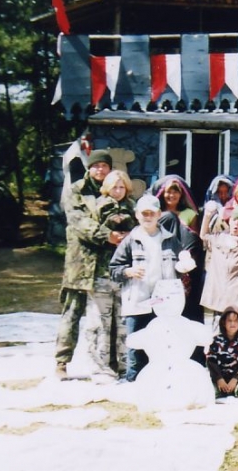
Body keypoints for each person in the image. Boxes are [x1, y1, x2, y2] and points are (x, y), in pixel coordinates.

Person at [109, 194, 197, 381]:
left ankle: (160, 382)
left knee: (161, 344)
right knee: (136, 345)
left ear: (159, 214)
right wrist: (128, 271)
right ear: (137, 215)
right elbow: (114, 269)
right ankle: (133, 381)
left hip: (163, 304)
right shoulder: (130, 240)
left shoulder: (171, 239)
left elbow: (180, 265)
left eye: (152, 213)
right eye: (144, 213)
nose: (148, 217)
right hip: (138, 300)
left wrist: (183, 267)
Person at [56, 149, 117, 379]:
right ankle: (62, 361)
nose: (100, 170)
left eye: (104, 166)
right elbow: (79, 221)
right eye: (96, 166)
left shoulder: (114, 189)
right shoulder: (76, 190)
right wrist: (107, 235)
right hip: (80, 262)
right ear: (89, 168)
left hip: (105, 265)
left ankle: (109, 361)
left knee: (107, 316)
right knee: (72, 312)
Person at [86, 169, 136, 380]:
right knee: (101, 322)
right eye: (114, 186)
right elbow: (90, 231)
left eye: (121, 186)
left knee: (123, 322)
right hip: (101, 272)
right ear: (107, 187)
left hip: (125, 273)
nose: (118, 191)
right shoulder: (97, 206)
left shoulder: (133, 207)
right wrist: (110, 235)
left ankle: (125, 366)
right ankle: (100, 366)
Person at [205, 306, 238, 399]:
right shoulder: (215, 340)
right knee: (211, 394)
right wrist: (219, 379)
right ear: (224, 323)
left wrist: (235, 379)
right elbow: (210, 361)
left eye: (236, 321)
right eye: (229, 320)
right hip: (219, 378)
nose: (233, 323)